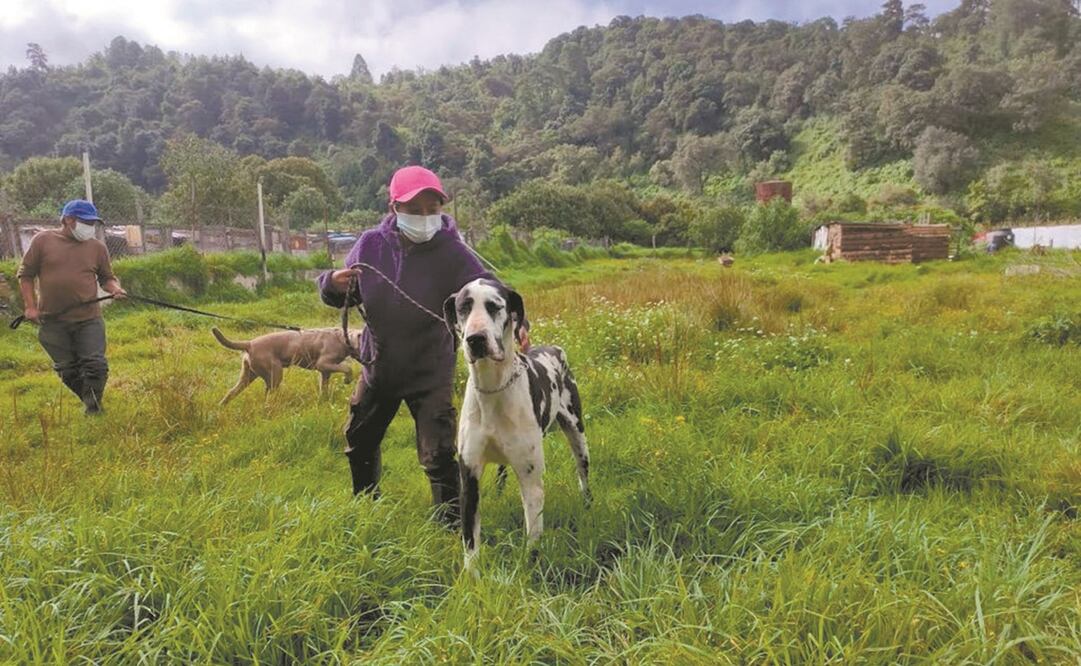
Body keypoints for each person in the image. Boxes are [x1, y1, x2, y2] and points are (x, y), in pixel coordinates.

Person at [318, 166, 528, 524]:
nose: (425, 217)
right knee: (360, 440)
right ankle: (366, 504)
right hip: (378, 367)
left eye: (433, 209)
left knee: (439, 452)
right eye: (414, 210)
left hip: (430, 371)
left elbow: (488, 287)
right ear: (394, 208)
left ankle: (451, 523)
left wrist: (519, 321)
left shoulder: (453, 252)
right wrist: (332, 283)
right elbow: (345, 292)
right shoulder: (370, 244)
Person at [16, 199, 127, 415]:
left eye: (93, 223)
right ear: (68, 220)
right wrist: (30, 307)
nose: (90, 227)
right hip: (52, 320)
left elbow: (107, 278)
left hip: (89, 319)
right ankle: (90, 400)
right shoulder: (43, 241)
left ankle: (93, 410)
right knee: (67, 369)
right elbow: (26, 275)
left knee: (95, 365)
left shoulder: (97, 248)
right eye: (87, 222)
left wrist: (115, 289)